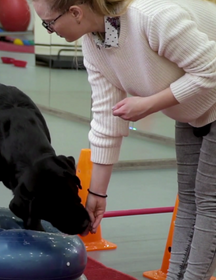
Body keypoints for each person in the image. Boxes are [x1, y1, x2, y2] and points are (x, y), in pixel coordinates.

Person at [32, 0, 216, 279]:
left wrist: (149, 104)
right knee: (190, 199)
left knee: (208, 201)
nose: (48, 30)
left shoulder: (153, 18)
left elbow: (210, 70)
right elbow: (107, 117)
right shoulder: (95, 42)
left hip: (207, 94)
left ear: (76, 12)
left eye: (50, 22)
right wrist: (97, 194)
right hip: (192, 106)